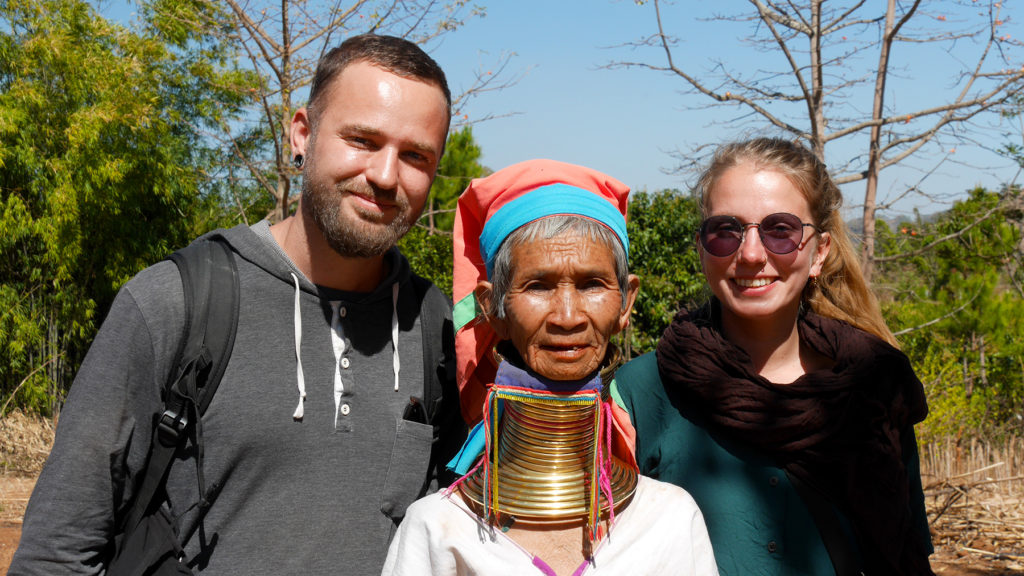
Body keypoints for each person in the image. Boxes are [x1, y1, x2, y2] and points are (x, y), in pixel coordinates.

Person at [11, 34, 463, 576]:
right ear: (303, 134)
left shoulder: (440, 332)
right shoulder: (175, 304)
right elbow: (55, 555)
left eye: (415, 155)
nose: (386, 176)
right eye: (363, 140)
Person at [613, 137, 934, 575]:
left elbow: (908, 552)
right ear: (702, 248)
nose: (750, 254)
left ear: (819, 251)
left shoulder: (875, 384)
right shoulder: (639, 392)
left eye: (779, 230)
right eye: (725, 231)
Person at [382, 159, 718, 576]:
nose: (567, 316)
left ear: (626, 302)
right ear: (492, 308)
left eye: (592, 284)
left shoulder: (668, 520)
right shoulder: (437, 529)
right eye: (537, 285)